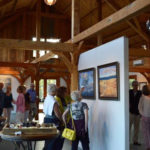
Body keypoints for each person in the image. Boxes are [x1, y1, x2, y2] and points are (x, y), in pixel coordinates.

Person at [43, 84, 64, 150]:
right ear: (54, 91)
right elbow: (57, 113)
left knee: (48, 139)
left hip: (46, 119)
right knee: (55, 140)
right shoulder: (53, 101)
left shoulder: (47, 97)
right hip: (53, 121)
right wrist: (62, 120)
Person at [129, 80, 142, 145]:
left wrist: (141, 112)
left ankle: (135, 141)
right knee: (128, 127)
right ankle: (127, 141)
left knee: (137, 128)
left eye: (137, 85)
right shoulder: (129, 92)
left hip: (137, 113)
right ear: (132, 85)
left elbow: (142, 103)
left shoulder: (140, 93)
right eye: (134, 85)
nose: (135, 86)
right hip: (130, 112)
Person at [138, 85, 150, 150]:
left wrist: (143, 114)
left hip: (145, 117)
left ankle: (148, 147)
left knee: (145, 132)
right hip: (147, 116)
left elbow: (139, 107)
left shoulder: (142, 97)